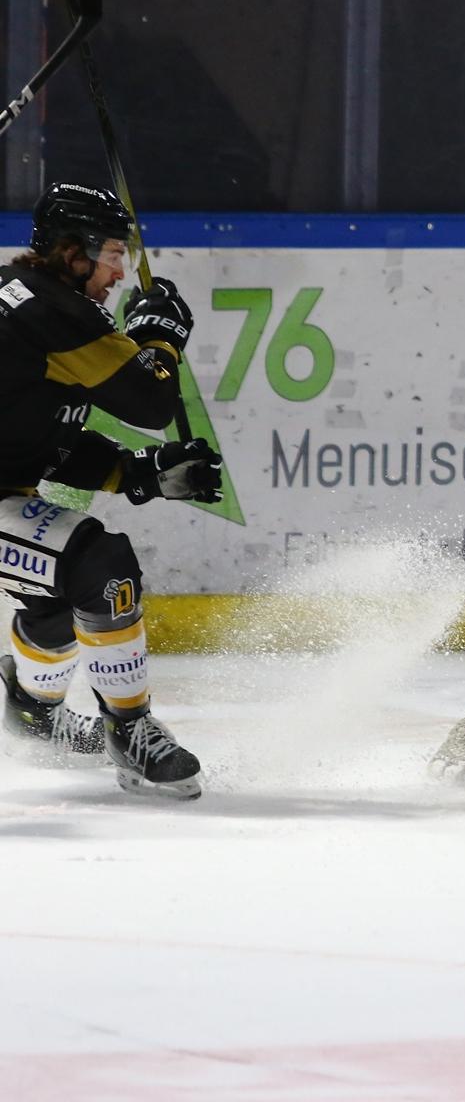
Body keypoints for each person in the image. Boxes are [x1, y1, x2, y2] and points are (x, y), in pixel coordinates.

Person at [0, 182, 220, 799]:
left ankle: (29, 709)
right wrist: (161, 339)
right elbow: (149, 401)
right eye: (112, 254)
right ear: (73, 251)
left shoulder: (25, 302)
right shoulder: (52, 312)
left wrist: (140, 474)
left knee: (53, 602)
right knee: (101, 565)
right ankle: (129, 730)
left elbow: (43, 438)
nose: (121, 271)